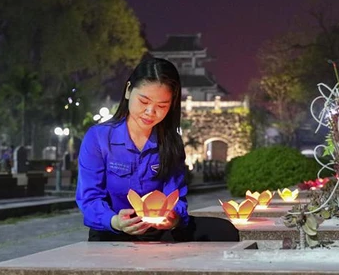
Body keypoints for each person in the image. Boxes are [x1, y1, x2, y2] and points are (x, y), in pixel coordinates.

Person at [76, 57, 239, 242]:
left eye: (161, 106)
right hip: (114, 230)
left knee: (223, 230)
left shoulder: (170, 143)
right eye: (144, 101)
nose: (150, 112)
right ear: (128, 90)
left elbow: (176, 197)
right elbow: (89, 199)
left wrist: (174, 219)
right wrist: (114, 221)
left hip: (159, 230)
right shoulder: (99, 138)